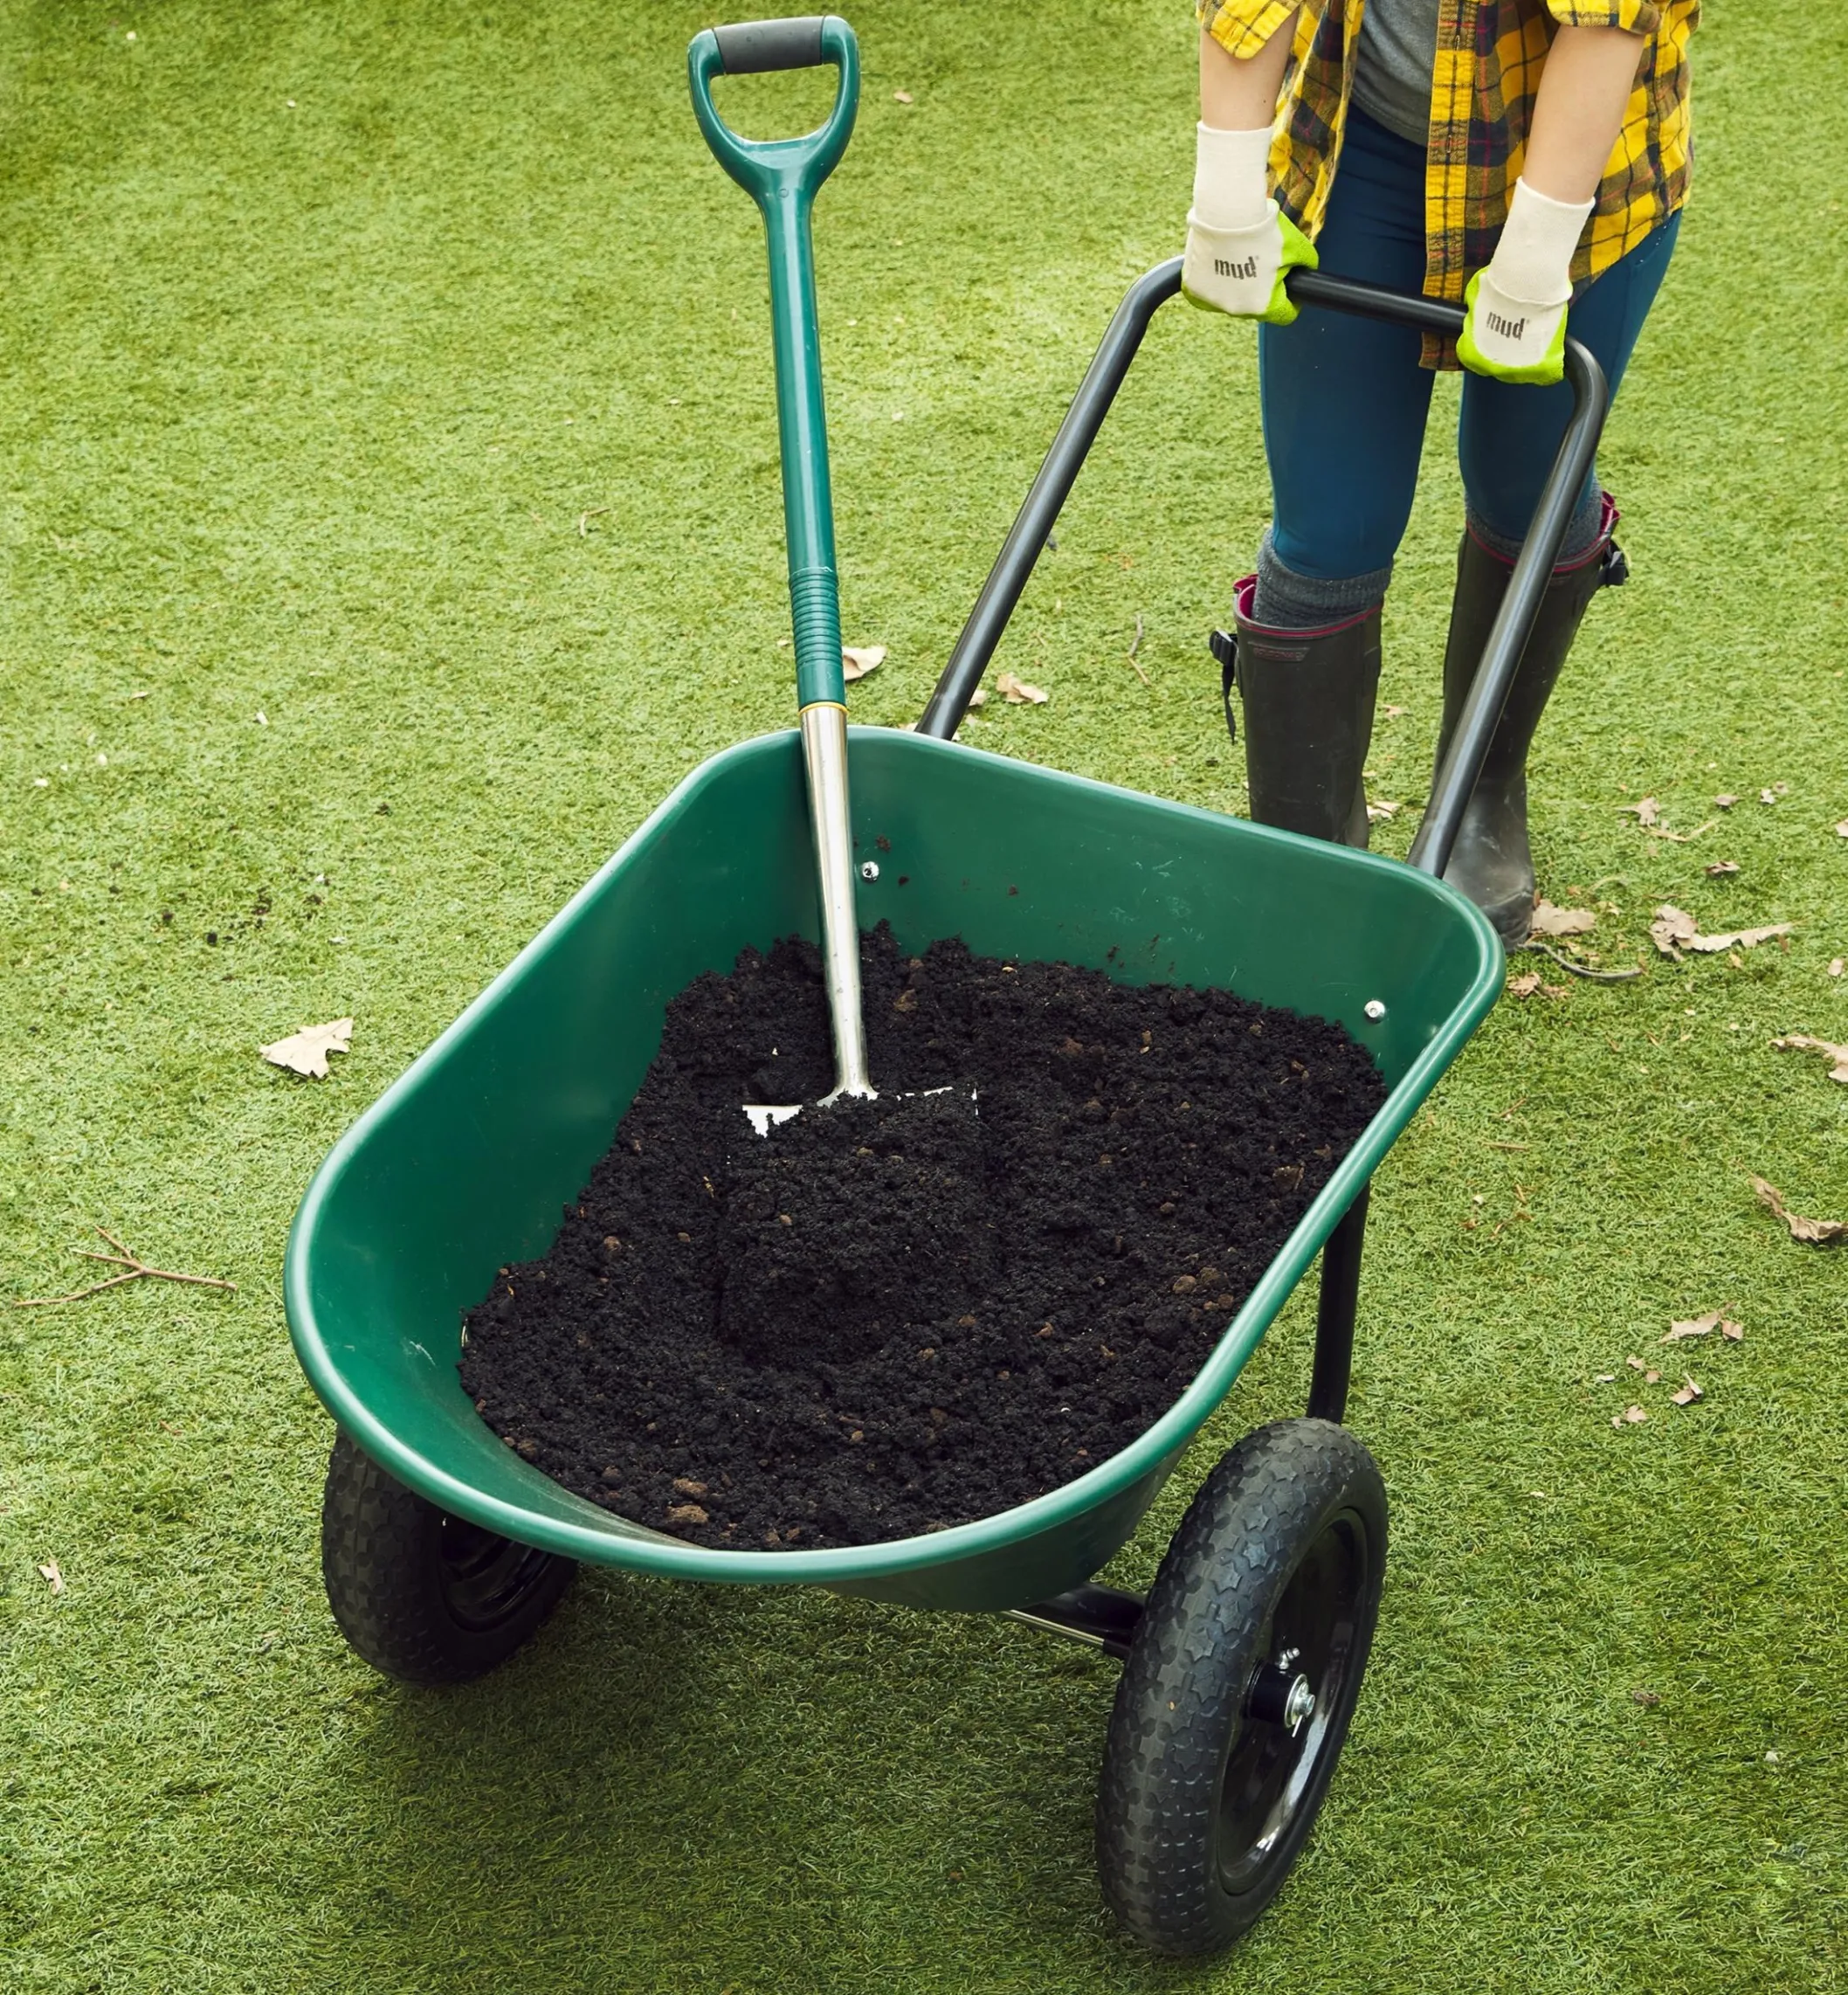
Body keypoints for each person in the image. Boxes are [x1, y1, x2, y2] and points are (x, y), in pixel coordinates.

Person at [1184, 1, 1696, 946]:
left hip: (1576, 159)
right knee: (1328, 523)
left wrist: (1537, 258)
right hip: (1366, 146)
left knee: (1524, 486)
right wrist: (1224, 191)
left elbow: (1609, 22)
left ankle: (1480, 794)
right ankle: (1305, 858)